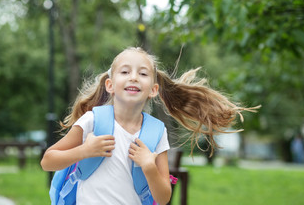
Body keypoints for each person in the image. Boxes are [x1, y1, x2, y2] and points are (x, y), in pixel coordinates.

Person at [40, 47, 260, 205]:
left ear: (153, 89)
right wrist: (84, 151)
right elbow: (48, 161)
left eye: (143, 74)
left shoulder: (156, 132)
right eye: (125, 72)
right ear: (110, 85)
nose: (134, 77)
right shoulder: (92, 121)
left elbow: (164, 198)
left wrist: (149, 166)